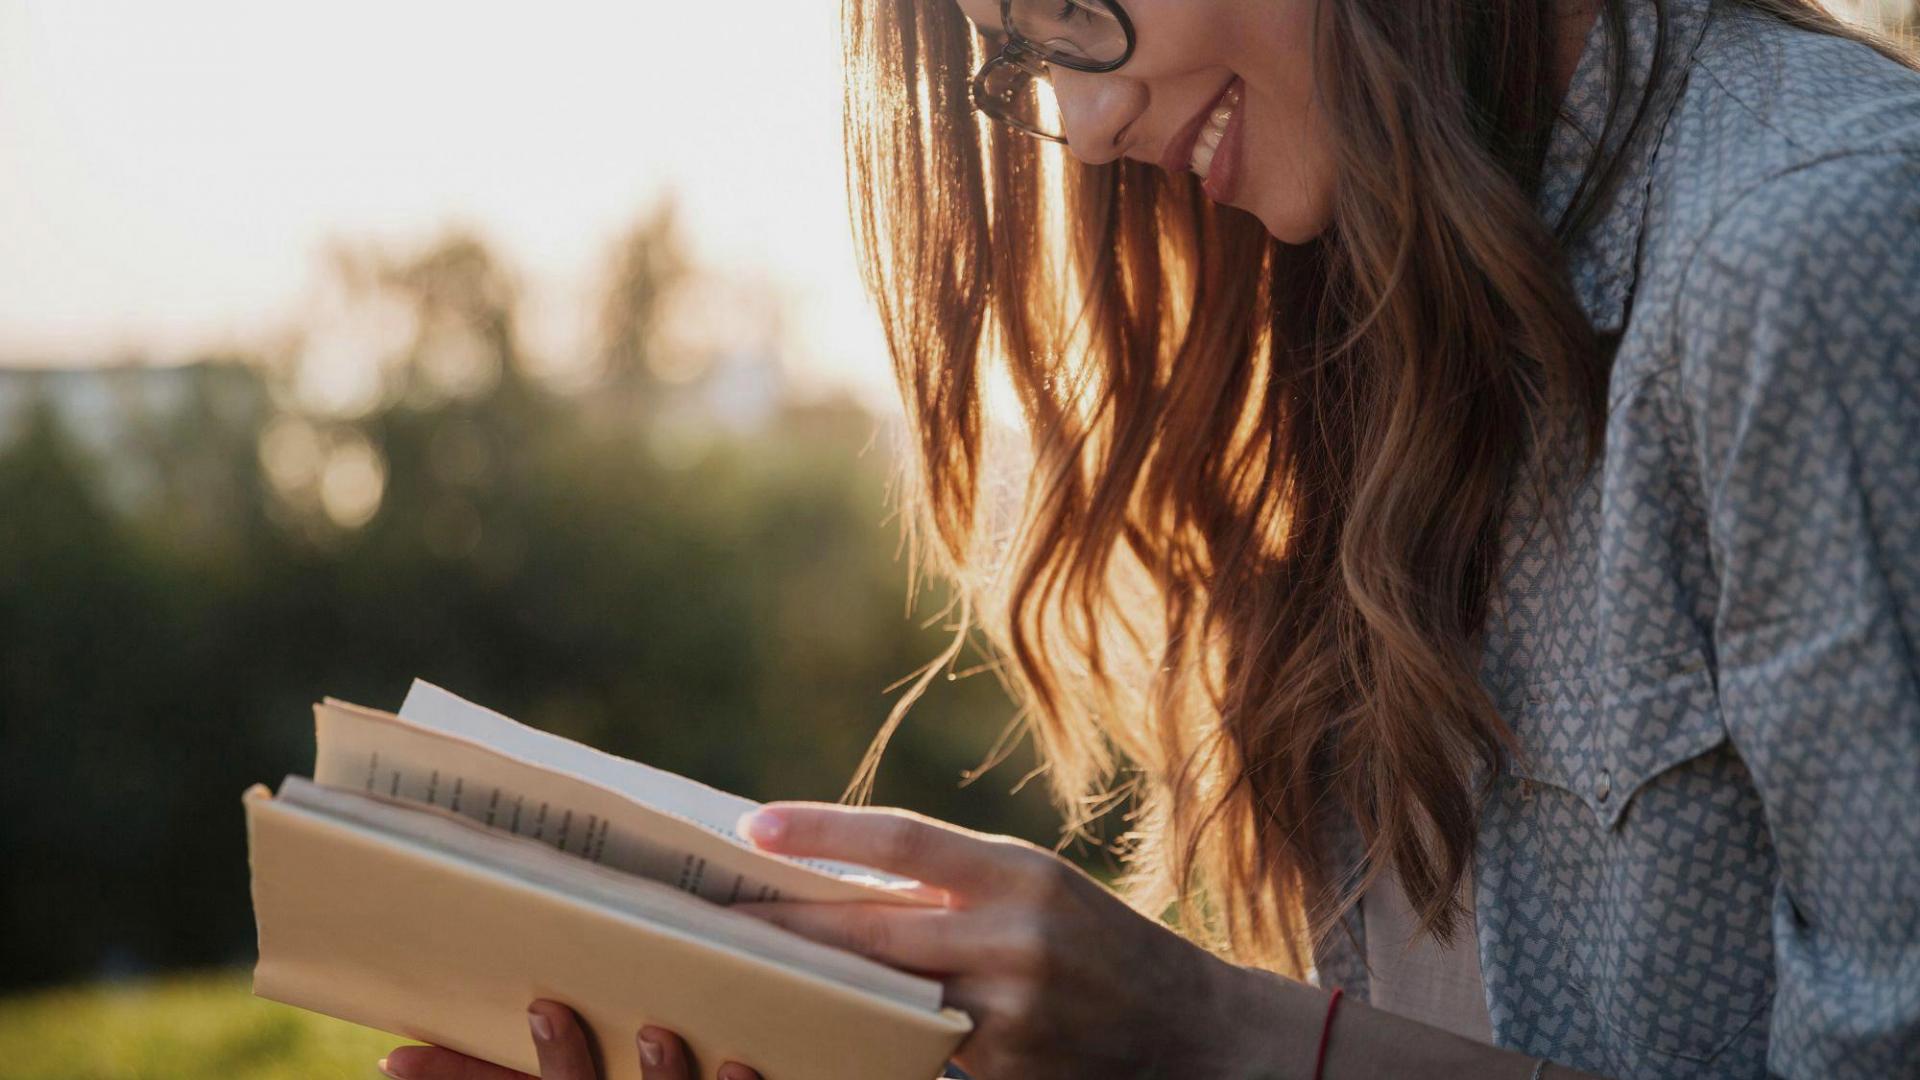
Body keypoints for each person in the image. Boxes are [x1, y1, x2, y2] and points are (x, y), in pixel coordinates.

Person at [376, 0, 1920, 1077]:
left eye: (1070, 9)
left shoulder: (1812, 258)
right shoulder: (1371, 356)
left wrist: (1217, 1036)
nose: (1089, 124)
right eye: (1017, 64)